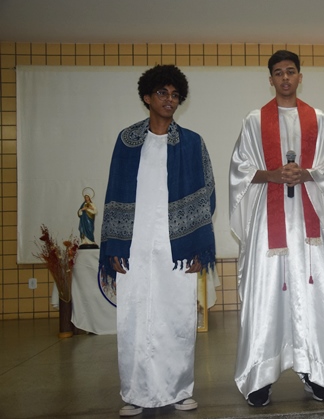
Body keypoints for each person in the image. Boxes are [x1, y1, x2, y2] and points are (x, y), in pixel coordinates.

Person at [98, 64, 216, 417]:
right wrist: (115, 245)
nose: (170, 99)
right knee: (134, 318)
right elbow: (114, 192)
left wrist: (198, 247)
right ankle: (135, 393)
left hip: (177, 245)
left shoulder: (192, 142)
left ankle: (179, 390)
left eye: (175, 94)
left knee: (178, 317)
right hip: (134, 245)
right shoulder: (127, 140)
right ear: (147, 97)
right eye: (162, 93)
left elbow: (206, 195)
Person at [229, 50, 324, 407]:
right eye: (278, 73)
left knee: (313, 294)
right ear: (270, 79)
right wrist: (273, 175)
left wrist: (306, 173)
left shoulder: (319, 119)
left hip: (309, 229)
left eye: (290, 71)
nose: (285, 78)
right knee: (267, 295)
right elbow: (239, 172)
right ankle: (260, 375)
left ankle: (316, 371)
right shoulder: (254, 121)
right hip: (269, 225)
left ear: (300, 76)